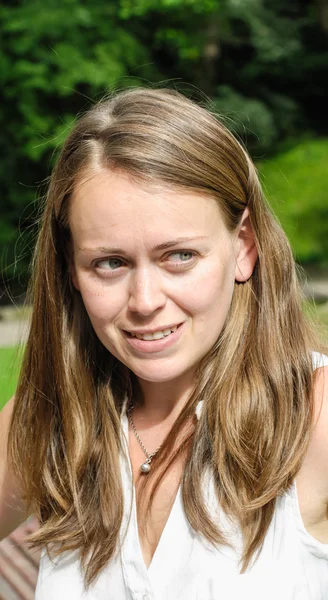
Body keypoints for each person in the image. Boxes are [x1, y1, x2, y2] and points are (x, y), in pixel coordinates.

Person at [0, 87, 327, 600]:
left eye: (179, 256)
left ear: (243, 249)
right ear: (70, 269)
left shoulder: (314, 413)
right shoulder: (53, 418)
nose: (145, 300)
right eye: (110, 263)